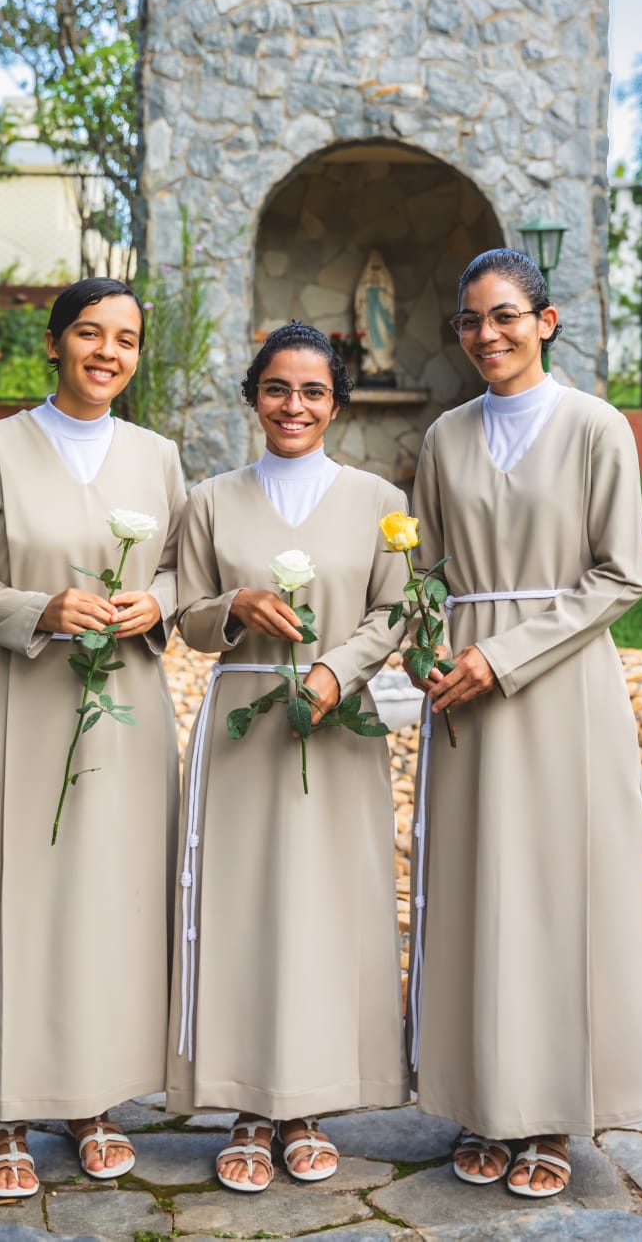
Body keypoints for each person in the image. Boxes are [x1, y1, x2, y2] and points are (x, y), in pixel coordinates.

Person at [0, 277, 186, 1200]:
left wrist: (157, 603)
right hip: (22, 700)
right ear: (56, 343)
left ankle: (91, 1099)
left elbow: (185, 572)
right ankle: (4, 1111)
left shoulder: (158, 457)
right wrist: (42, 608)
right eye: (91, 334)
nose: (109, 353)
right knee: (16, 895)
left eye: (126, 339)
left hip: (126, 705)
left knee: (108, 898)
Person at [407, 248, 642, 1199]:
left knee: (556, 893)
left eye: (504, 316)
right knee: (475, 891)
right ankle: (483, 1102)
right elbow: (423, 572)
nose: (486, 335)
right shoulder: (444, 437)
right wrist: (426, 650)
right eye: (470, 321)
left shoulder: (597, 427)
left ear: (545, 321)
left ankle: (552, 1112)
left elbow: (619, 576)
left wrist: (501, 657)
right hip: (464, 693)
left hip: (558, 685)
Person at [166, 321, 409, 1192]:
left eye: (312, 391)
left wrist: (336, 671)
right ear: (253, 397)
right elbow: (186, 618)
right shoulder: (209, 500)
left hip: (336, 725)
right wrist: (234, 603)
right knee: (243, 909)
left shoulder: (379, 500)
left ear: (335, 403)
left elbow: (394, 612)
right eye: (276, 388)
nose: (293, 405)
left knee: (322, 909)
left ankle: (307, 1105)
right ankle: (243, 1103)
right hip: (242, 727)